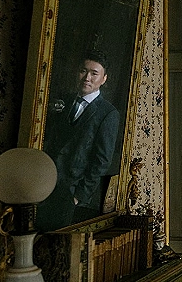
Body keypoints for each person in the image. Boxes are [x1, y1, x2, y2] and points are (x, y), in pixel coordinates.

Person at [36, 52, 120, 231]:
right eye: (83, 71)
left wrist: (78, 195)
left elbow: (102, 160)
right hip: (45, 183)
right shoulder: (63, 101)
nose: (87, 78)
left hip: (70, 192)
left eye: (94, 73)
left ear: (104, 79)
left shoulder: (108, 114)